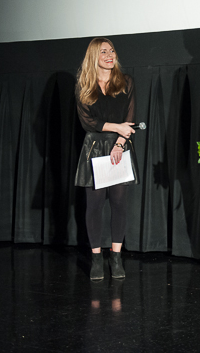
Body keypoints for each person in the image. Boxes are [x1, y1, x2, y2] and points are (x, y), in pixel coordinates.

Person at [74, 37, 138, 281]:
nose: (110, 55)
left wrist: (120, 142)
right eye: (103, 52)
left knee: (119, 203)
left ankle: (116, 258)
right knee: (95, 205)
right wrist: (116, 126)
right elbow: (87, 122)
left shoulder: (126, 81)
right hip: (94, 148)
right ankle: (96, 259)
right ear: (94, 56)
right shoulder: (84, 85)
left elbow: (130, 118)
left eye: (112, 50)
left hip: (119, 145)